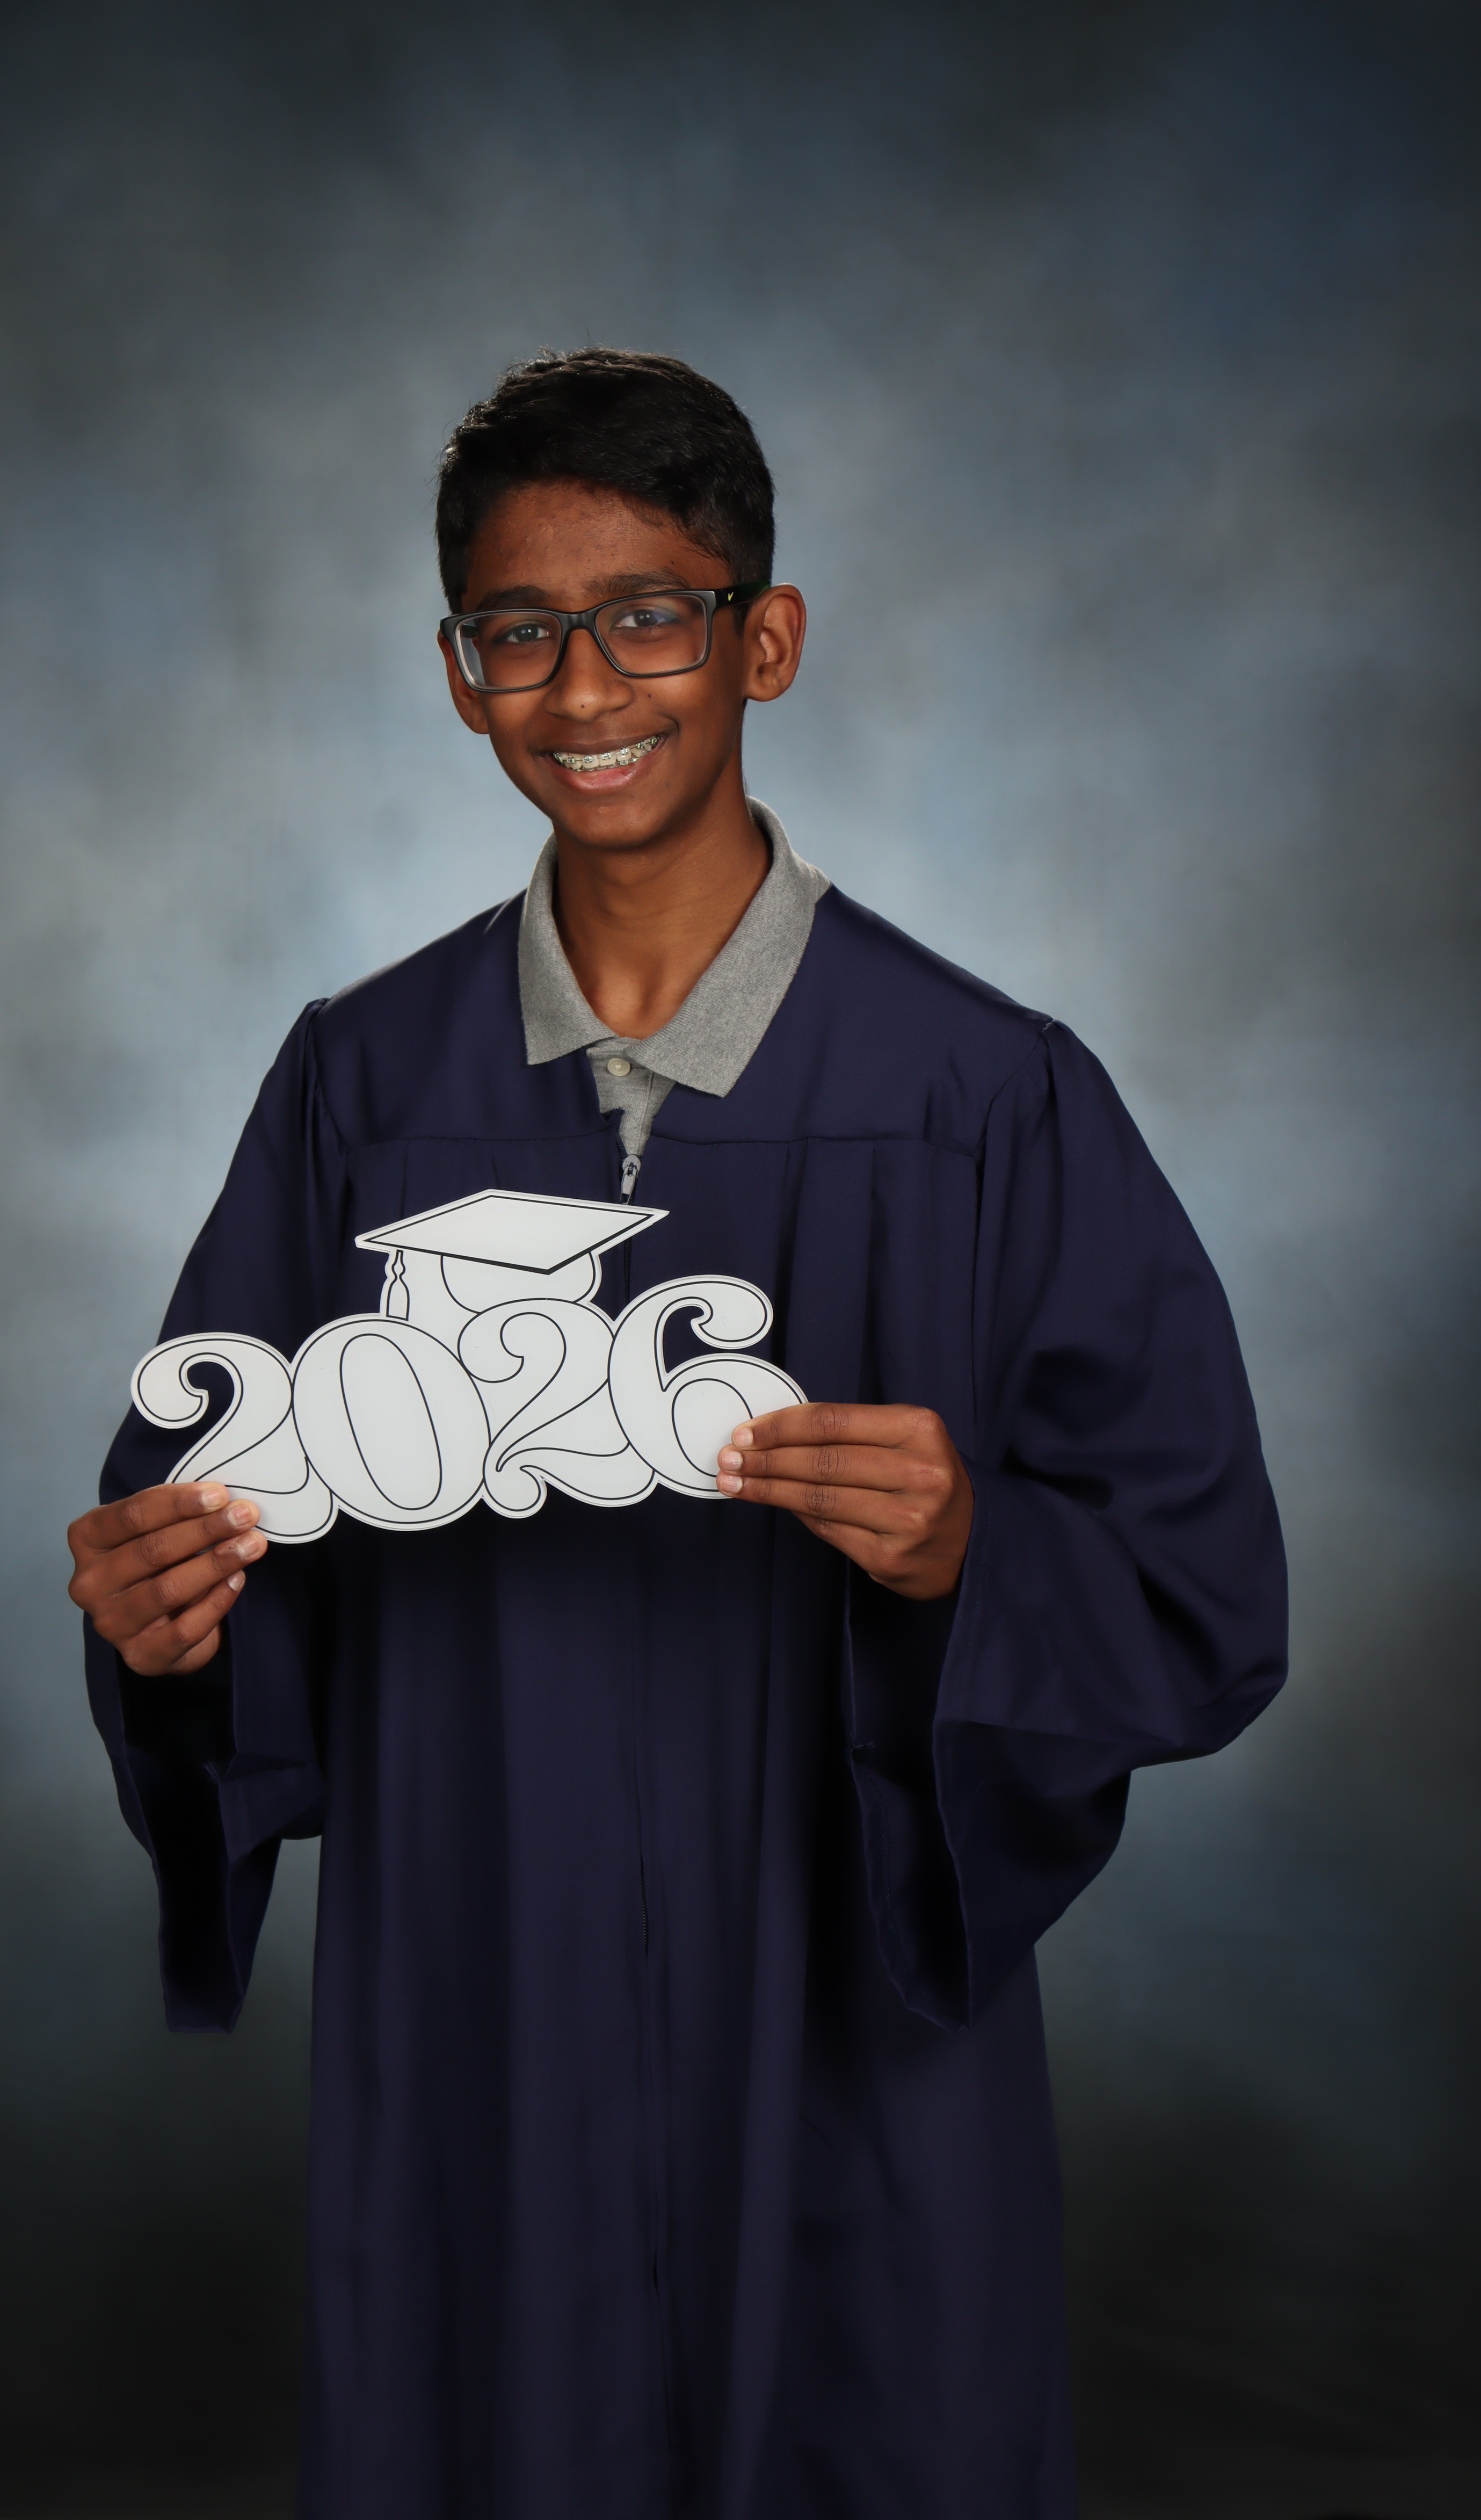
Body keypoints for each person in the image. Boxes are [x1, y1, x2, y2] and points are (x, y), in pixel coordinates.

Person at [68, 349, 1287, 2520]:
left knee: (866, 2426)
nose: (581, 686)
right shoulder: (364, 1081)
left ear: (762, 638)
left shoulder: (979, 1093)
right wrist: (169, 1620)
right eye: (516, 632)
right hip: (481, 1974)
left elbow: (1199, 1583)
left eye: (646, 615)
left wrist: (973, 1554)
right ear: (458, 674)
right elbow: (208, 1524)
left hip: (842, 1999)